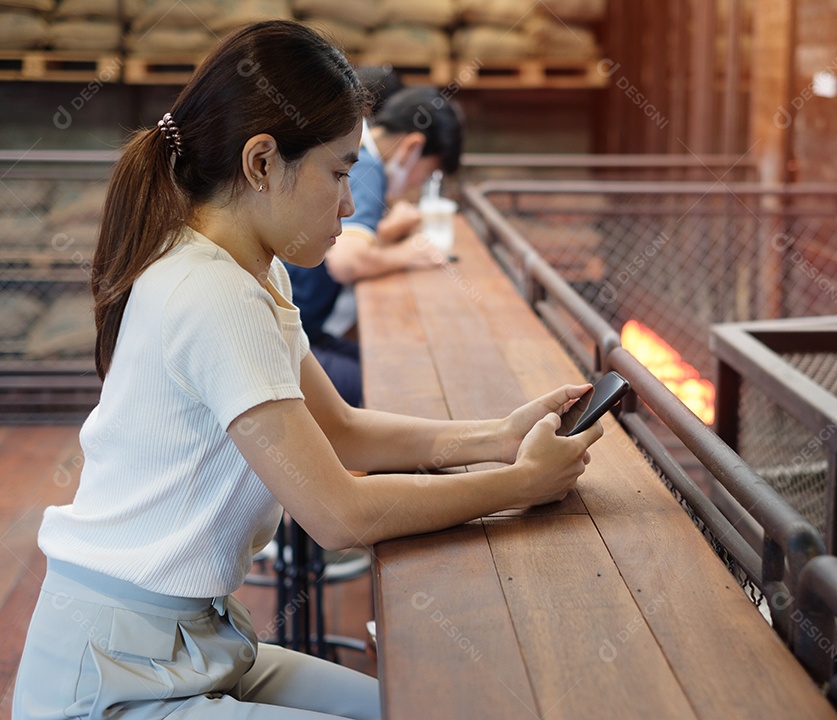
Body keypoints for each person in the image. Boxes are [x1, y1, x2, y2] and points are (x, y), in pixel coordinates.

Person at [12, 20, 602, 720]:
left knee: (412, 705)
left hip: (194, 639)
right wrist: (522, 483)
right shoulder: (210, 293)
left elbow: (342, 431)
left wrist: (498, 437)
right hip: (113, 674)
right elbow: (337, 514)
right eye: (340, 171)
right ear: (262, 163)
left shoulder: (256, 272)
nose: (352, 205)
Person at [286, 87, 464, 407]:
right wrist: (410, 254)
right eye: (426, 175)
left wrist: (383, 235)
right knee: (394, 386)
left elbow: (336, 245)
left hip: (299, 328)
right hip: (285, 339)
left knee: (391, 368)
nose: (417, 186)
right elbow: (345, 262)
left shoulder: (352, 151)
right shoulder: (366, 166)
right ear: (412, 146)